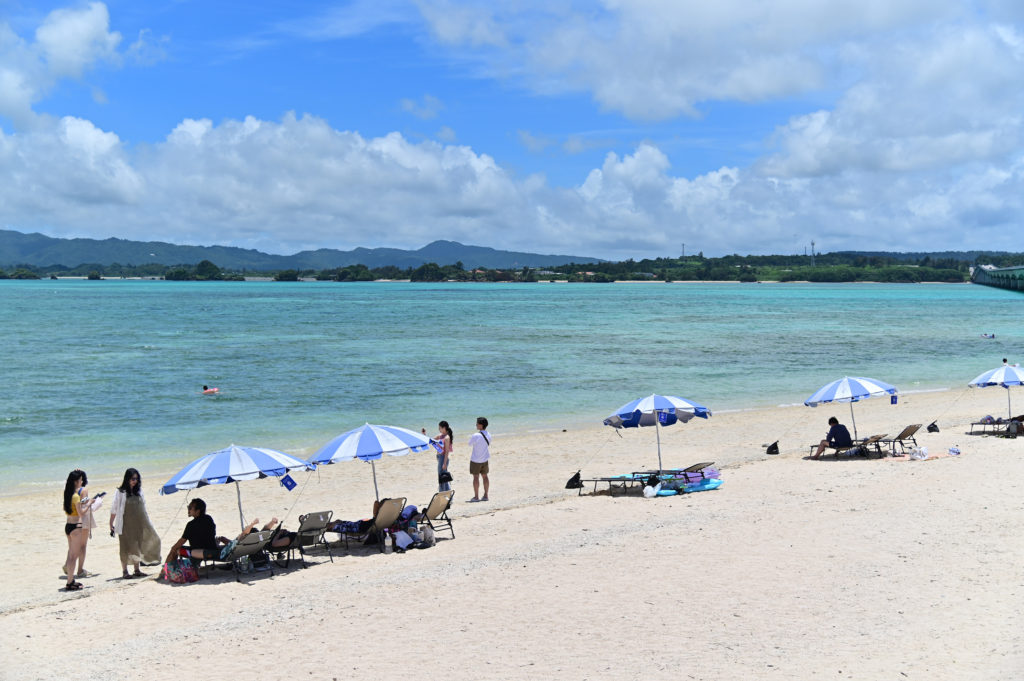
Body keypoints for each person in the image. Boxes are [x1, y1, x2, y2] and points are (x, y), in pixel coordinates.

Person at [108, 468, 161, 579]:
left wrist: (148, 522)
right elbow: (114, 508)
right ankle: (125, 571)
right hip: (125, 525)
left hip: (139, 523)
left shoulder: (139, 491)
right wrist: (111, 523)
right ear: (127, 479)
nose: (135, 481)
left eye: (136, 479)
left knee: (138, 546)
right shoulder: (120, 492)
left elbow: (143, 508)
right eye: (132, 479)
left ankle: (137, 570)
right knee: (125, 547)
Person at [62, 469, 92, 591]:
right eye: (80, 480)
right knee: (74, 556)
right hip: (76, 526)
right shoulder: (75, 496)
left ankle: (70, 580)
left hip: (68, 525)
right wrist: (89, 503)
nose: (81, 482)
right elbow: (81, 512)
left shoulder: (67, 494)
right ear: (76, 482)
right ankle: (70, 581)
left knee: (70, 554)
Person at [165, 498, 219, 565]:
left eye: (190, 508)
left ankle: (166, 570)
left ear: (198, 511)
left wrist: (173, 548)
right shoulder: (209, 519)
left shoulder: (191, 524)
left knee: (175, 549)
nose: (188, 510)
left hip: (199, 553)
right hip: (212, 550)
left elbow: (182, 541)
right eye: (188, 507)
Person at [423, 420, 453, 492]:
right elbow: (430, 441)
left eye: (440, 428)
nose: (439, 429)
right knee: (443, 476)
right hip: (439, 457)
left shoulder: (447, 438)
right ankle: (446, 493)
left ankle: (444, 493)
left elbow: (447, 451)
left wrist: (444, 463)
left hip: (443, 458)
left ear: (444, 428)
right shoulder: (440, 436)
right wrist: (424, 434)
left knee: (442, 477)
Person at [467, 416, 491, 502]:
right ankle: (486, 495)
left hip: (476, 460)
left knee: (476, 477)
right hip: (485, 459)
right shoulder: (489, 434)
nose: (476, 425)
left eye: (477, 423)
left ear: (481, 425)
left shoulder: (476, 435)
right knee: (485, 477)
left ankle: (476, 497)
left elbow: (469, 444)